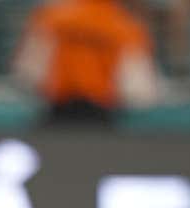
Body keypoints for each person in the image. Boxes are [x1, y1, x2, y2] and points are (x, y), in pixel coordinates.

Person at [13, 0, 160, 127]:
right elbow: (137, 91)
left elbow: (28, 74)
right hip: (100, 121)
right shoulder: (125, 27)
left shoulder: (50, 18)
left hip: (57, 118)